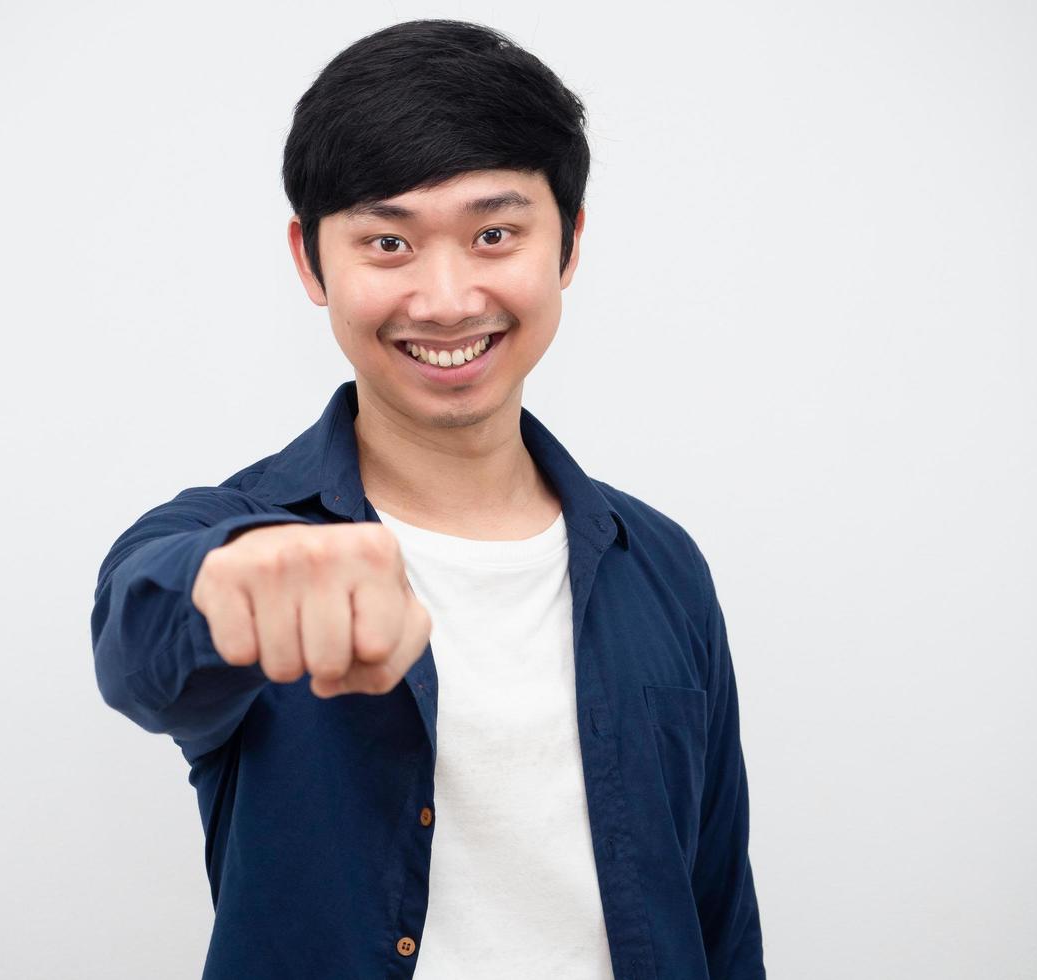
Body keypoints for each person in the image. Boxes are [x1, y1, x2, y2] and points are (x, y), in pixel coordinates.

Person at [91, 18, 765, 980]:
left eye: (494, 234)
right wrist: (231, 581)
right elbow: (139, 645)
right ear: (310, 262)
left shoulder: (659, 563)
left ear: (567, 244)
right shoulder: (232, 535)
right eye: (388, 242)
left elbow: (717, 913)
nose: (446, 300)